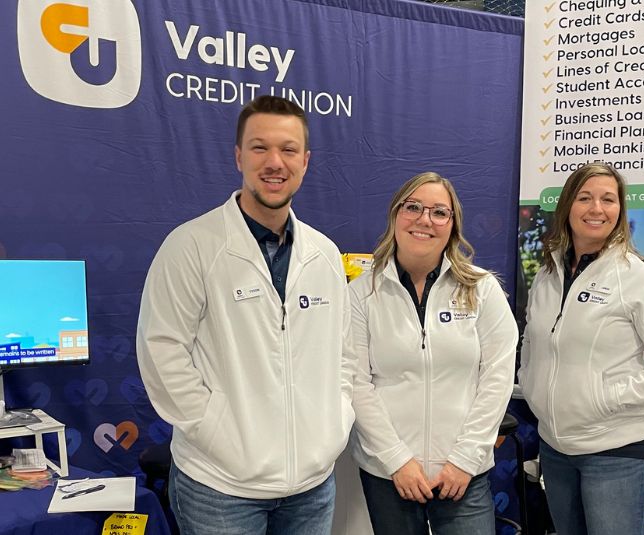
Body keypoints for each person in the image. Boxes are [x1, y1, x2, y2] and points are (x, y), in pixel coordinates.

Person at [136, 95, 354, 535]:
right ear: (238, 156)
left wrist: (336, 422)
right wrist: (216, 431)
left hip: (312, 488)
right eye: (260, 148)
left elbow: (344, 354)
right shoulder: (192, 246)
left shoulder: (325, 254)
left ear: (306, 161)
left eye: (288, 150)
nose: (275, 162)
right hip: (221, 489)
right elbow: (161, 349)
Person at [518, 162, 644, 535]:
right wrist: (533, 387)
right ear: (568, 205)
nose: (596, 209)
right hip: (556, 446)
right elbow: (533, 341)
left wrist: (611, 398)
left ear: (620, 210)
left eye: (608, 199)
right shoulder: (547, 275)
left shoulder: (639, 278)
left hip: (618, 451)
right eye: (585, 198)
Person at [348, 171, 518, 534]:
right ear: (395, 215)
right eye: (413, 207)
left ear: (452, 225)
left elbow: (498, 377)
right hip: (390, 475)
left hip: (462, 476)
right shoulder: (360, 294)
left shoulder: (482, 290)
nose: (425, 219)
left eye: (439, 212)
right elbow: (355, 383)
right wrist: (397, 461)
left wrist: (464, 460)